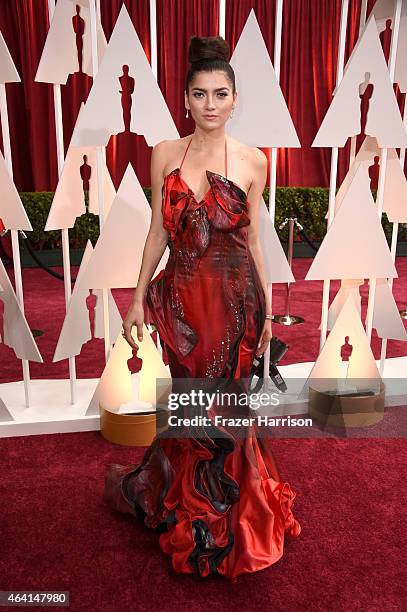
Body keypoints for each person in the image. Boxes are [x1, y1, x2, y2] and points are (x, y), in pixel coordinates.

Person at [104, 35, 301, 580]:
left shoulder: (254, 161)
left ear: (235, 98)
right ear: (185, 99)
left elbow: (256, 242)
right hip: (184, 306)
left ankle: (233, 518)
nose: (210, 104)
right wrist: (139, 296)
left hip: (236, 304)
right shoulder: (165, 153)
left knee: (228, 413)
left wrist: (263, 317)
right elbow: (154, 233)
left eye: (220, 94)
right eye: (199, 94)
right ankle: (190, 509)